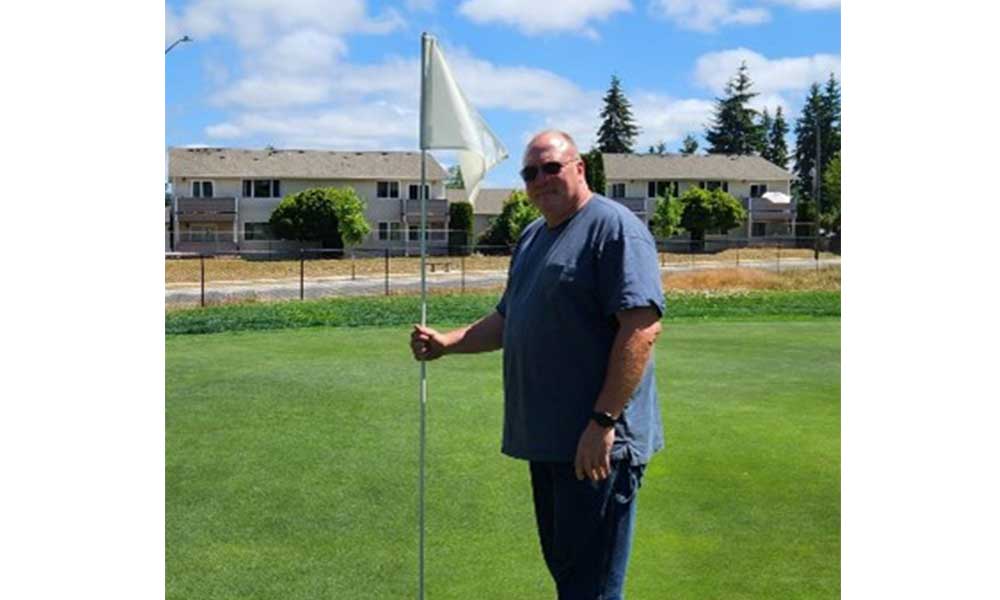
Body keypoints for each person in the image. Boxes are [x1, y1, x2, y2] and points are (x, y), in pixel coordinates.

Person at [410, 130, 665, 599]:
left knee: (592, 586)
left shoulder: (614, 228)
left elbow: (641, 328)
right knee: (571, 578)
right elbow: (509, 319)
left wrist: (602, 420)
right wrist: (448, 342)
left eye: (552, 167)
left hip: (598, 446)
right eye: (530, 172)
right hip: (548, 443)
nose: (540, 179)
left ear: (580, 168)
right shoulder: (532, 237)